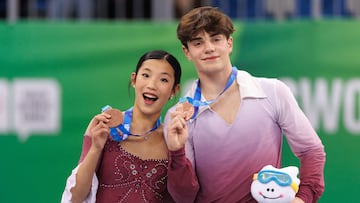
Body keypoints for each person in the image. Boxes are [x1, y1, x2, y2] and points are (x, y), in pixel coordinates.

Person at [164, 6, 325, 203]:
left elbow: (312, 151)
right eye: (198, 43)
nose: (209, 48)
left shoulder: (272, 91)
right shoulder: (178, 117)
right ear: (187, 52)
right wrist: (176, 153)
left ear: (229, 43)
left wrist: (303, 199)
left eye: (216, 39)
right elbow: (184, 197)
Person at [61, 50, 182, 203]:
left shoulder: (173, 141)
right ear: (134, 80)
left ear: (174, 90)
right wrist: (96, 148)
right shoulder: (104, 126)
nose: (152, 85)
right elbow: (76, 197)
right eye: (146, 75)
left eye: (163, 80)